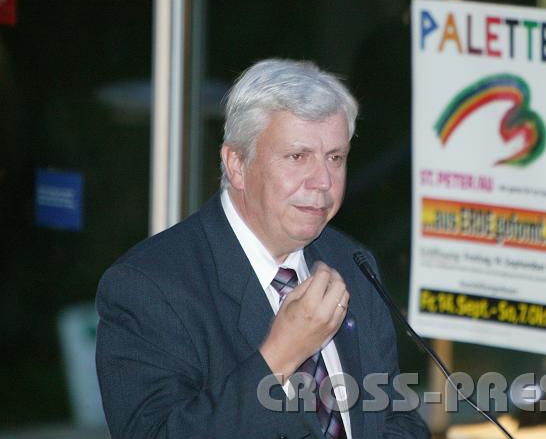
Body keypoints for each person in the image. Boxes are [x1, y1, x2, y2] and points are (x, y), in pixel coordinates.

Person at [95, 59, 430, 438]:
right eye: (297, 157)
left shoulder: (352, 263)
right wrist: (279, 356)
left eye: (335, 158)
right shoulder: (148, 285)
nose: (323, 181)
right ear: (237, 164)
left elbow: (397, 420)